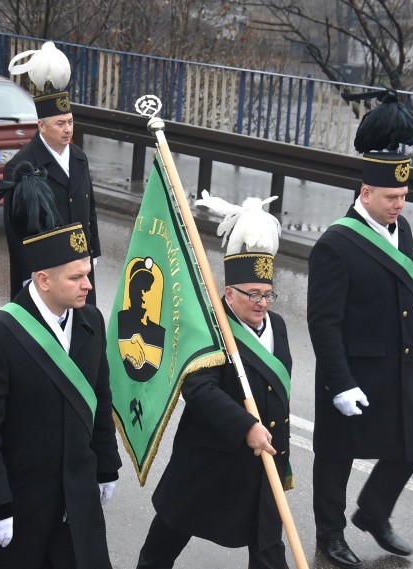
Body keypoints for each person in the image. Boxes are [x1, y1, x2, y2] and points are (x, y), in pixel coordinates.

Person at [0, 170, 120, 567]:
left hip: (74, 501)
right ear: (43, 279)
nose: (87, 285)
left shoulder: (91, 321)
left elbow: (100, 399)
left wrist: (106, 466)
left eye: (88, 275)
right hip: (17, 500)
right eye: (76, 277)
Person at [136, 200, 293, 569]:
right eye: (252, 294)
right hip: (209, 459)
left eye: (267, 294)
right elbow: (199, 390)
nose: (262, 303)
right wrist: (246, 426)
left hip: (260, 460)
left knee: (269, 550)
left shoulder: (279, 327)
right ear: (229, 292)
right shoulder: (209, 330)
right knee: (163, 544)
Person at [307, 149, 413, 568]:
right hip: (354, 368)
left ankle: (373, 512)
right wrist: (340, 384)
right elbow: (323, 323)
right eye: (391, 197)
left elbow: (408, 296)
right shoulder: (335, 244)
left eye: (403, 195)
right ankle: (330, 536)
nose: (399, 204)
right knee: (336, 457)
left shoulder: (404, 229)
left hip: (400, 362)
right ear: (365, 192)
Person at [3, 42, 100, 302]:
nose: (67, 129)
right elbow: (15, 229)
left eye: (70, 122)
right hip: (45, 274)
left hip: (79, 268)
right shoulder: (22, 166)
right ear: (41, 126)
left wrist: (94, 252)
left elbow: (89, 209)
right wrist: (27, 273)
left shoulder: (79, 158)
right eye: (60, 124)